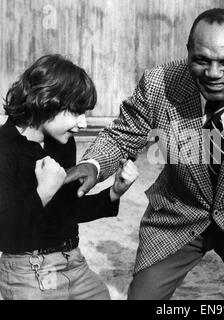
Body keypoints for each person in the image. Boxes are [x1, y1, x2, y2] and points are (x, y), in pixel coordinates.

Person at [65, 8, 224, 300]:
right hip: (178, 215)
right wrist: (93, 163)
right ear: (188, 51)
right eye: (201, 60)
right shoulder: (158, 83)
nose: (213, 74)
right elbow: (122, 135)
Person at [0, 54, 138, 300]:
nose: (83, 123)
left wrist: (114, 192)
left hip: (73, 262)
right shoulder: (4, 150)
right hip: (27, 269)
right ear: (46, 102)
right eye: (76, 112)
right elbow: (6, 231)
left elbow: (66, 210)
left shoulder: (62, 144)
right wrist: (43, 192)